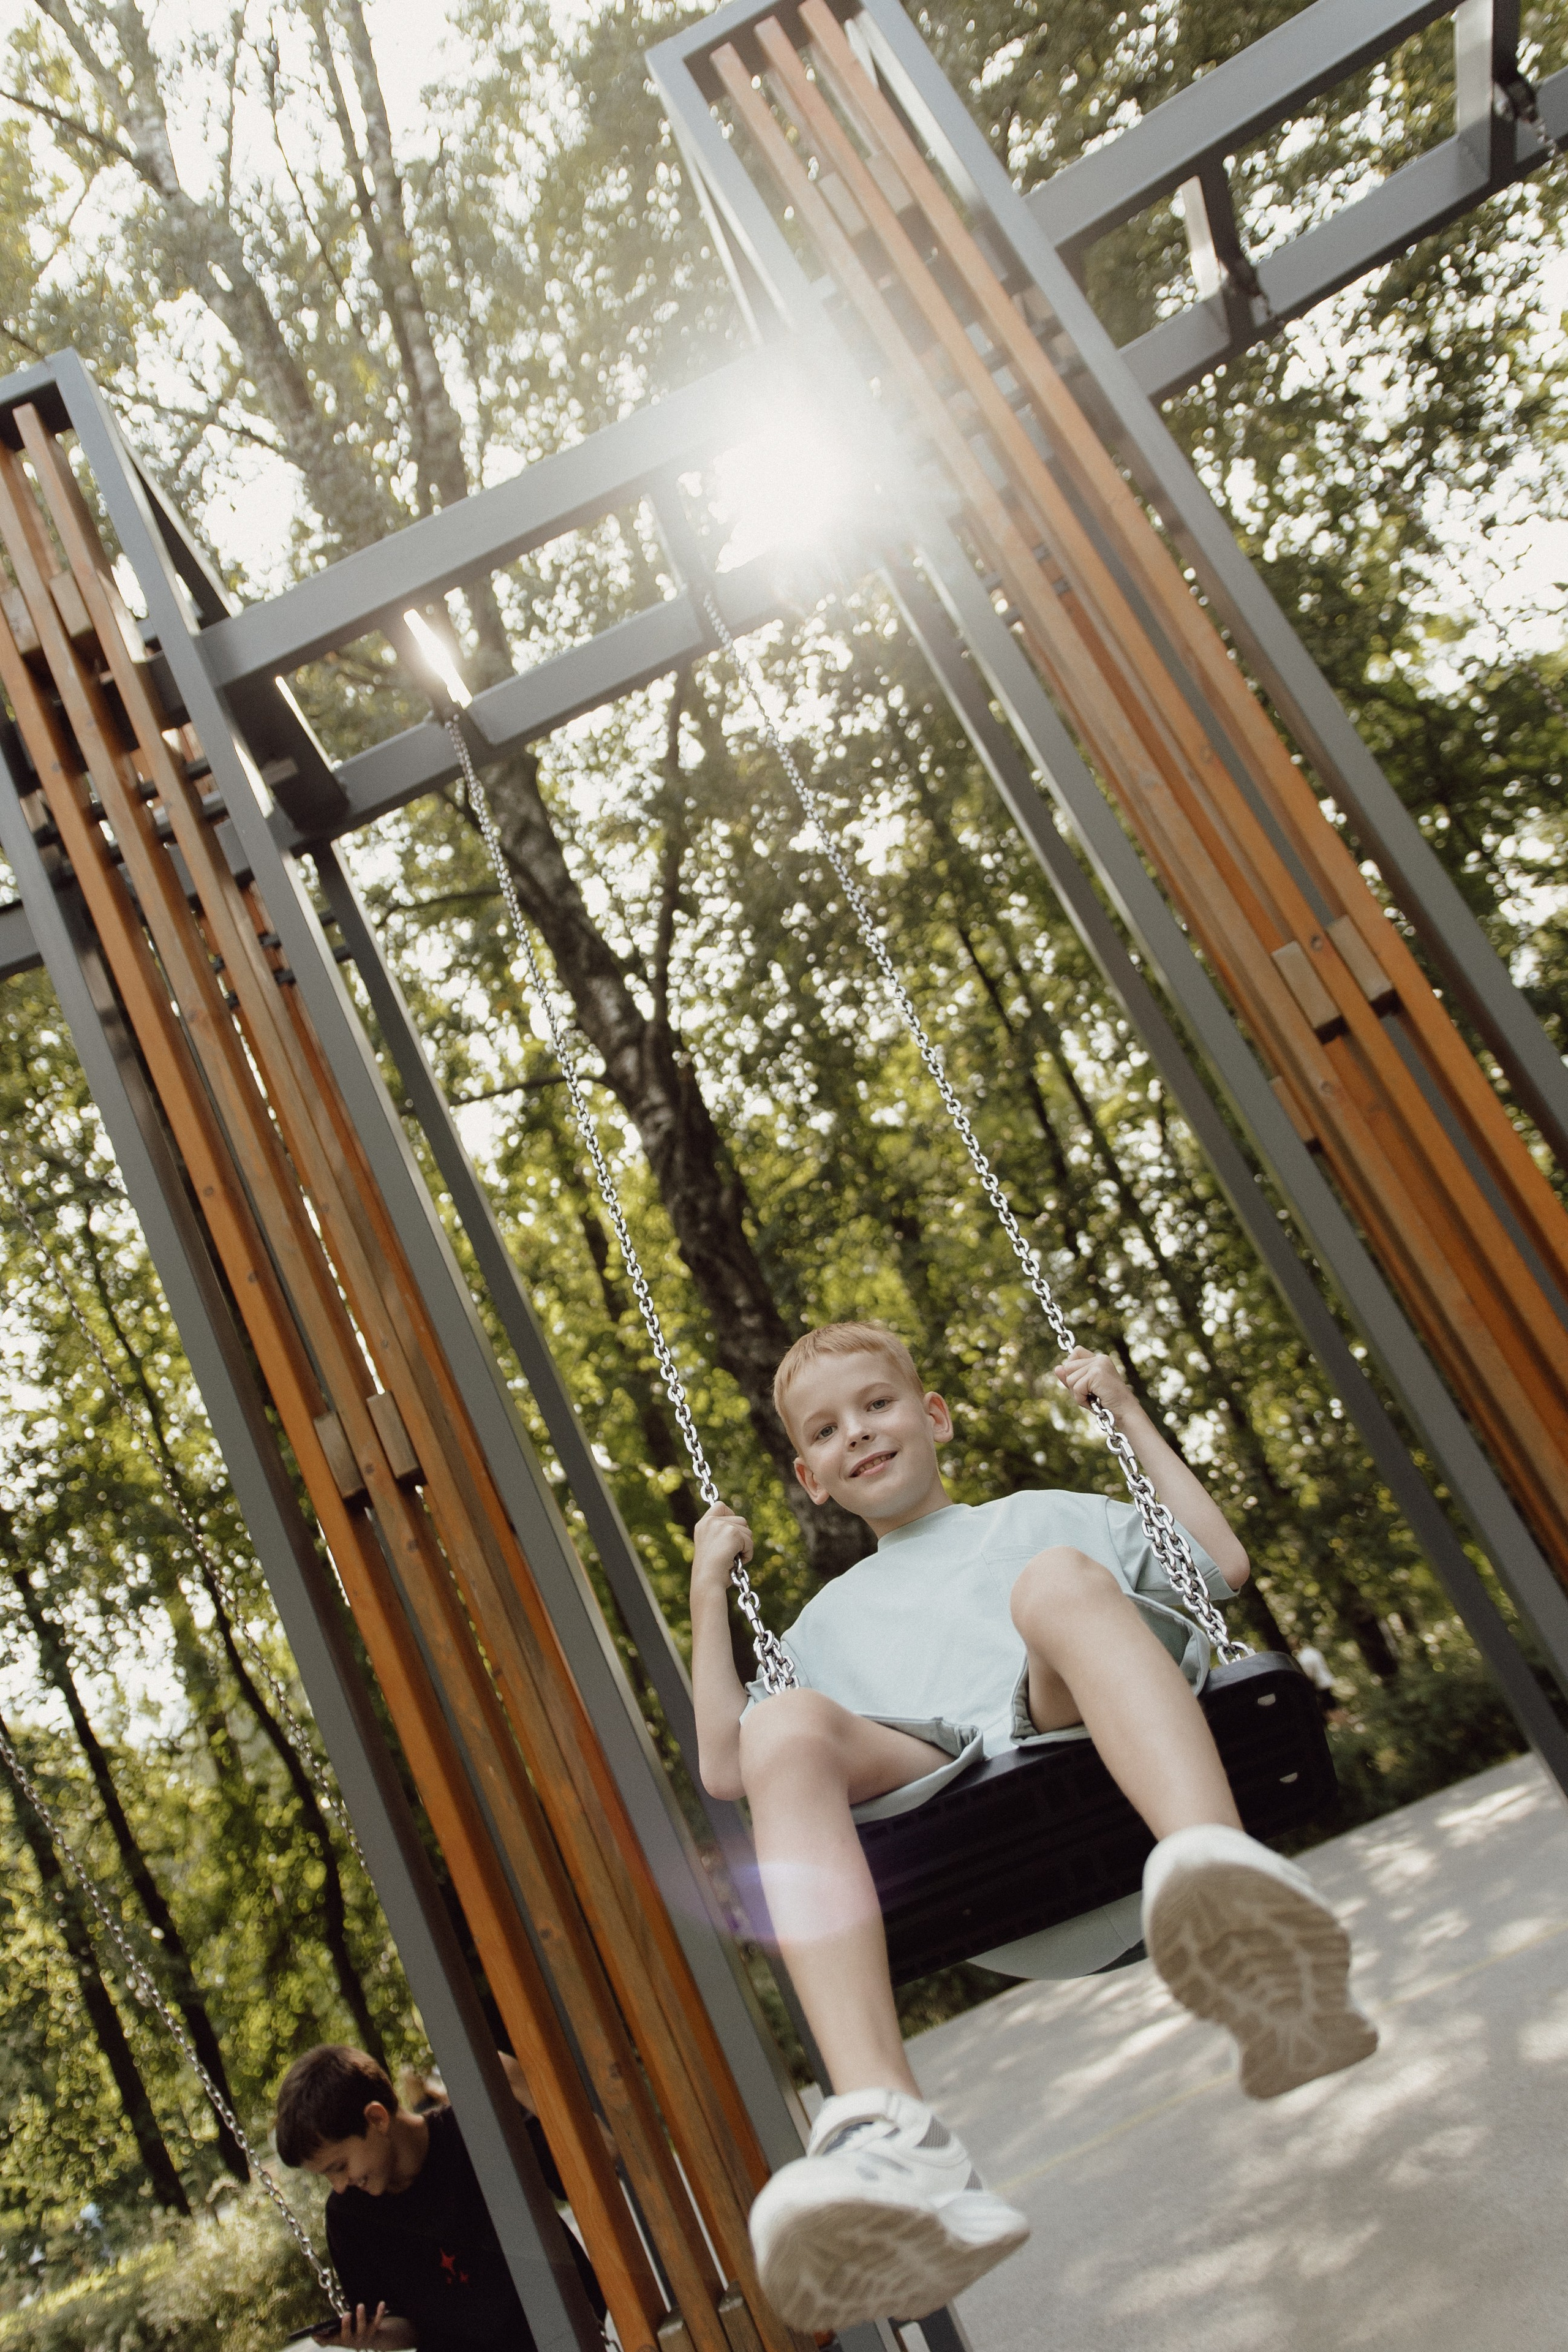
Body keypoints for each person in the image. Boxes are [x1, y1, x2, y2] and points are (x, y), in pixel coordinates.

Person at [690, 1321, 1378, 2332]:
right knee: (783, 1725)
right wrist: (711, 1585)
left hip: (1079, 1743)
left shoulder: (1048, 1519)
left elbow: (1216, 1562)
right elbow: (724, 1764)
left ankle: (1228, 1898)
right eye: (828, 1431)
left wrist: (1127, 1414)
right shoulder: (823, 1626)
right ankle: (890, 2128)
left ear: (934, 1417)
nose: (859, 1434)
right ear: (811, 1478)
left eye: (878, 1405)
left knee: (1054, 1581)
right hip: (955, 1813)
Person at [274, 2043, 606, 2350]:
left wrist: (517, 2079)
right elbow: (407, 2325)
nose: (339, 2185)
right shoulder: (349, 2218)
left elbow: (601, 2158)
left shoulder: (475, 2131)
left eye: (340, 2166)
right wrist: (372, 2338)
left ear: (377, 2119)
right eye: (326, 2177)